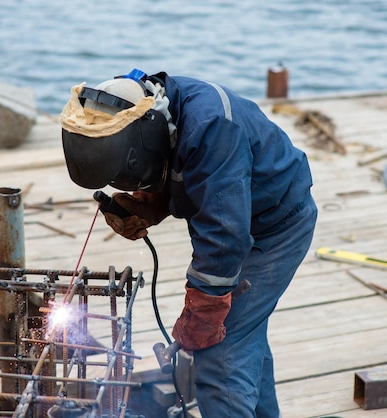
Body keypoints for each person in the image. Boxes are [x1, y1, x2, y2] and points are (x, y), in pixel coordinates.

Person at [60, 69, 317, 418]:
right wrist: (153, 204)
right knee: (245, 336)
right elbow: (191, 177)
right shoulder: (139, 109)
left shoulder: (210, 129)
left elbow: (224, 236)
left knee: (219, 349)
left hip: (277, 225)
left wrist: (204, 310)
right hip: (241, 216)